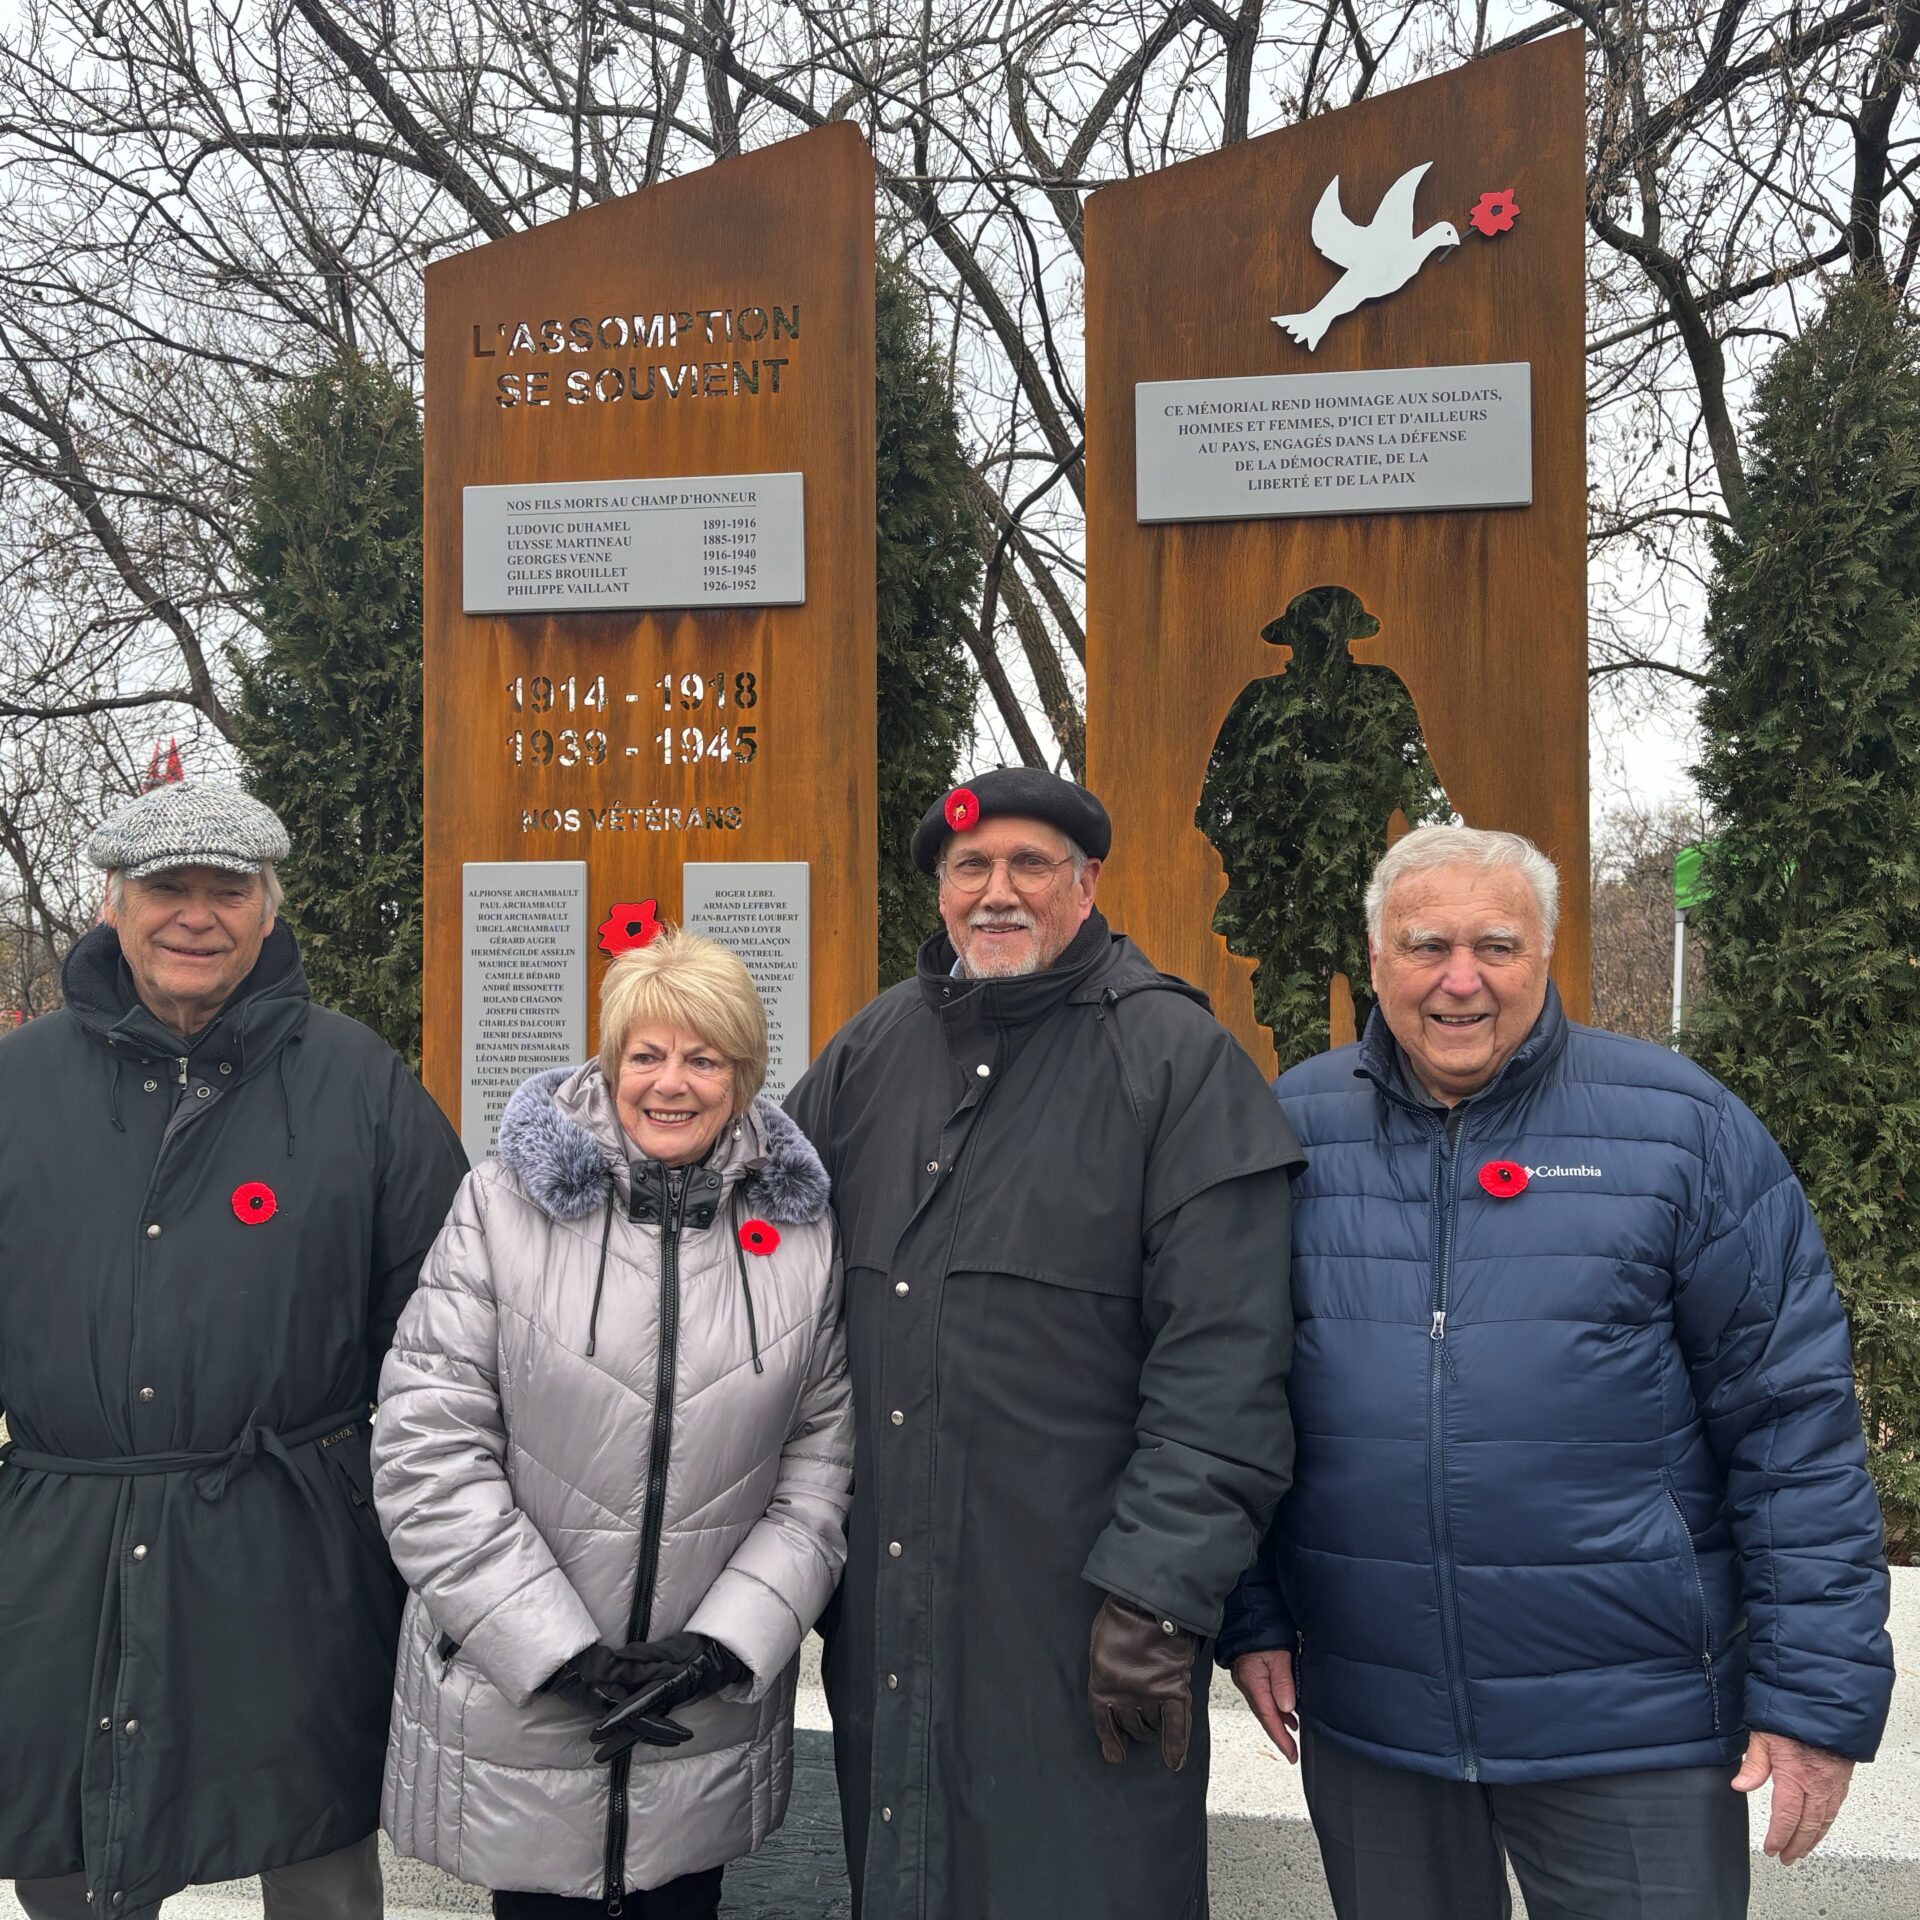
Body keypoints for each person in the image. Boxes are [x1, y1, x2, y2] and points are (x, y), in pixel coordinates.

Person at [1220, 823, 1895, 1920]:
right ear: (1377, 958)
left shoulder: (1682, 1131)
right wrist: (1248, 1615)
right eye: (1426, 944)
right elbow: (1224, 1394)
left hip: (1638, 1732)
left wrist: (1816, 1698)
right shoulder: (1288, 1130)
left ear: (1547, 953)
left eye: (1497, 945)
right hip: (1379, 1727)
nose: (1460, 980)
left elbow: (1794, 1430)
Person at [785, 766, 1301, 1919]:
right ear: (940, 889)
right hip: (896, 1609)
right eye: (971, 867)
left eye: (1030, 865)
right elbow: (755, 1256)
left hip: (1084, 1621)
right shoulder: (872, 1053)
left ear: (1087, 883)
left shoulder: (1172, 1060)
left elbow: (1227, 1361)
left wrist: (1158, 1599)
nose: (997, 892)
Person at [0, 781, 468, 1919]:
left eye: (227, 891)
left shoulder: (356, 1081)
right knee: (68, 1847)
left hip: (291, 1537)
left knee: (315, 1854)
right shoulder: (19, 1084)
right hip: (65, 1536)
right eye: (168, 890)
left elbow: (448, 1321)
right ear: (113, 903)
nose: (195, 917)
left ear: (268, 912)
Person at [371, 927, 852, 1919]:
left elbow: (819, 1473)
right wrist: (552, 1650)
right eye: (646, 1054)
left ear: (745, 1074)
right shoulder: (501, 1209)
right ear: (610, 1062)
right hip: (525, 1703)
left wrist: (724, 1645)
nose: (670, 1084)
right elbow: (428, 1449)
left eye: (703, 1057)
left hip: (699, 1716)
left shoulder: (800, 1238)